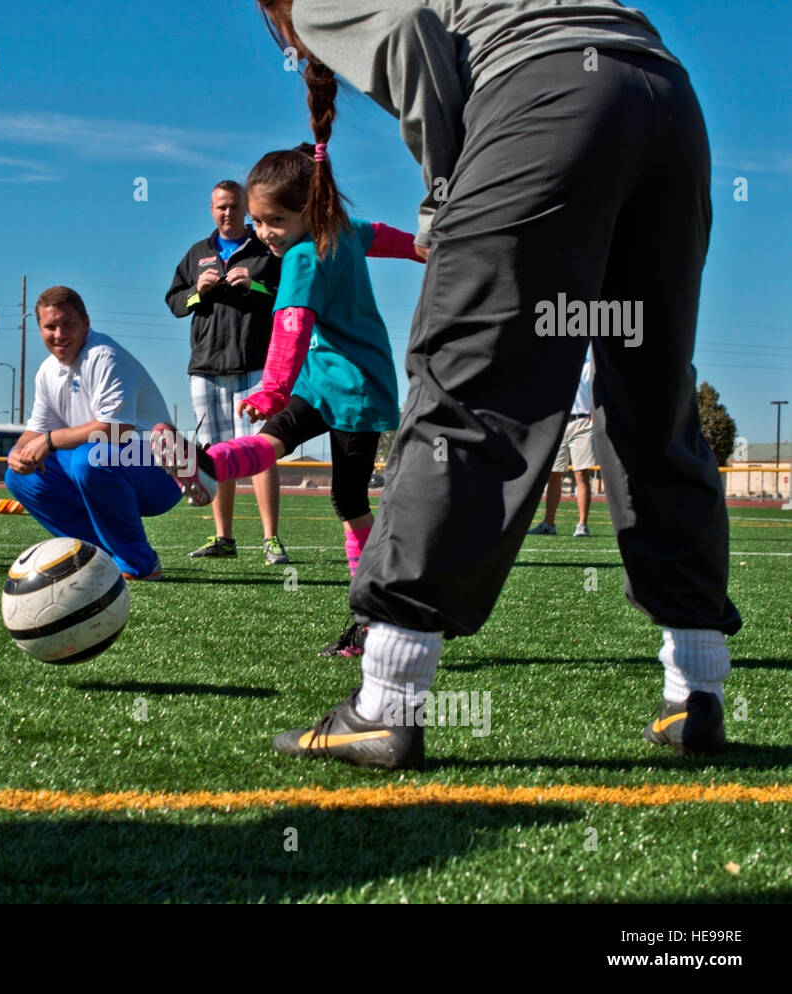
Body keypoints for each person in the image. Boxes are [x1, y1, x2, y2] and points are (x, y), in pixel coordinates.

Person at [257, 0, 740, 768]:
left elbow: (412, 32)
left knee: (467, 382)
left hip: (546, 99)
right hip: (667, 103)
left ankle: (385, 703)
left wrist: (445, 192)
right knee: (652, 395)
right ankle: (697, 692)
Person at [156, 146, 422, 657]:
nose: (264, 233)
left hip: (356, 389)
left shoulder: (302, 256)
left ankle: (373, 618)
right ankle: (206, 464)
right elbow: (382, 235)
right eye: (257, 220)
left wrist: (273, 388)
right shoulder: (341, 229)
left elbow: (291, 326)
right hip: (321, 381)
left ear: (311, 209)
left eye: (275, 220)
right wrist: (421, 248)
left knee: (348, 501)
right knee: (271, 441)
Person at [5, 286, 181, 580]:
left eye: (68, 324)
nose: (59, 333)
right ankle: (100, 556)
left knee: (91, 459)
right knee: (22, 476)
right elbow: (35, 430)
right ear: (40, 330)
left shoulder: (104, 355)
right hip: (109, 462)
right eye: (50, 326)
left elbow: (118, 428)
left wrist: (49, 441)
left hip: (165, 470)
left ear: (86, 322)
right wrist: (17, 453)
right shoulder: (47, 370)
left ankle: (139, 563)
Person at [166, 181, 287, 564]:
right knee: (216, 454)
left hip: (255, 366)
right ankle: (224, 538)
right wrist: (196, 292)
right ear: (211, 209)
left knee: (260, 451)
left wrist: (256, 287)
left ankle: (271, 540)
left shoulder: (266, 250)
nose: (227, 213)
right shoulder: (197, 254)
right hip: (205, 367)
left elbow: (288, 296)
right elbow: (174, 302)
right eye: (220, 207)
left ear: (246, 208)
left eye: (234, 206)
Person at [529, 349, 596, 537]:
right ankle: (548, 523)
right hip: (560, 422)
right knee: (554, 474)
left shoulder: (590, 367)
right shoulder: (559, 368)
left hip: (582, 422)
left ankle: (582, 525)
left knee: (582, 474)